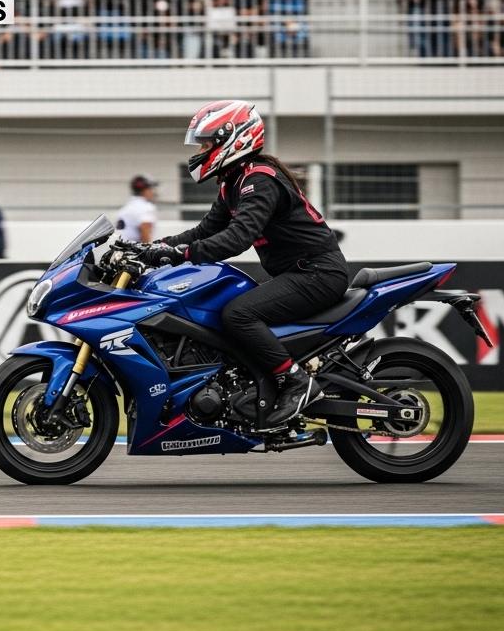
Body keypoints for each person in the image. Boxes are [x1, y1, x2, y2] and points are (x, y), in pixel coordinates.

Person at [144, 101, 346, 430]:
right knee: (226, 308)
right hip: (299, 273)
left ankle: (295, 383)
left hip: (317, 273)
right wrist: (154, 247)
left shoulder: (259, 180)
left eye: (207, 143)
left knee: (238, 314)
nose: (201, 151)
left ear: (234, 139)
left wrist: (180, 255)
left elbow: (236, 238)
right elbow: (203, 231)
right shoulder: (233, 184)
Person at [115, 174, 159, 243]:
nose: (153, 192)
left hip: (119, 249)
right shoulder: (146, 207)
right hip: (134, 251)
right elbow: (145, 231)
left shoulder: (126, 208)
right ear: (145, 190)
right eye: (151, 189)